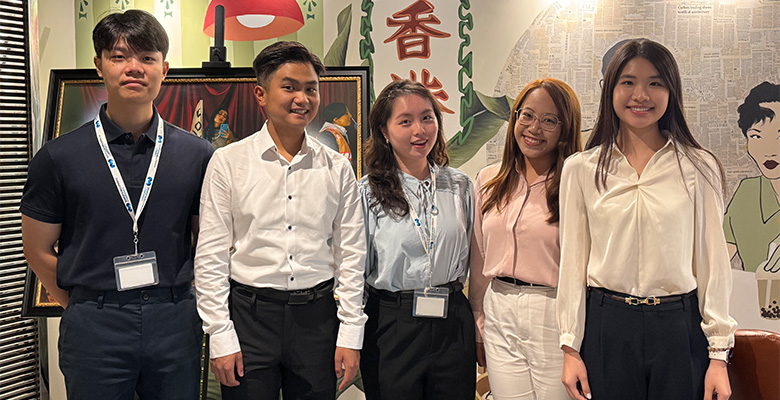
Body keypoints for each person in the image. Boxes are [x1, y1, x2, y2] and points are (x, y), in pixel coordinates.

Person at [20, 9, 214, 399]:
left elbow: (207, 244)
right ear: (99, 66)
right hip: (95, 323)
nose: (134, 68)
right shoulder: (59, 157)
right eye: (119, 56)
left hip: (173, 317)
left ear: (165, 69)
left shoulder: (197, 155)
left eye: (147, 58)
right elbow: (36, 250)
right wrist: (84, 303)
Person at [557, 38, 737, 400]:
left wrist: (718, 355)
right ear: (610, 90)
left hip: (678, 326)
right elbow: (572, 264)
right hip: (608, 324)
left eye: (655, 82)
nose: (641, 94)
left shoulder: (698, 166)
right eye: (628, 82)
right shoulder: (581, 169)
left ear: (671, 91)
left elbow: (713, 263)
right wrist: (570, 347)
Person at [194, 41, 367, 400]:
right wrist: (220, 335)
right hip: (249, 318)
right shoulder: (228, 163)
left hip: (317, 318)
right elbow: (211, 255)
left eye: (311, 89)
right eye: (289, 87)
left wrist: (351, 332)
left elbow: (351, 255)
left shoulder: (336, 167)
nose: (302, 98)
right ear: (261, 93)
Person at [359, 79, 476, 400]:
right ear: (383, 130)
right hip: (392, 324)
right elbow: (354, 270)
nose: (419, 130)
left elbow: (473, 257)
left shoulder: (460, 186)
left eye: (427, 117)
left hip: (453, 319)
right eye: (405, 121)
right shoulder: (367, 192)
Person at [469, 78, 581, 400]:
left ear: (565, 129)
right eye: (527, 115)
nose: (534, 128)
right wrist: (479, 315)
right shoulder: (489, 179)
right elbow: (479, 256)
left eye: (549, 120)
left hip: (553, 311)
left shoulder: (576, 184)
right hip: (499, 307)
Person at [724, 82, 780, 274]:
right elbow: (718, 262)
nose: (770, 150)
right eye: (757, 137)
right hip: (755, 302)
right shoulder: (747, 193)